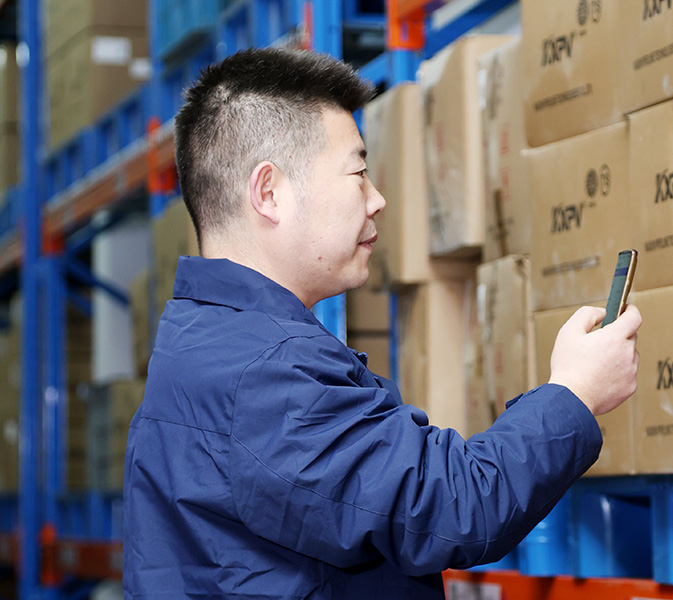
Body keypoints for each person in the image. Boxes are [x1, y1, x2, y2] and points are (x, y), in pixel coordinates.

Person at [123, 47, 641, 600]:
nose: (377, 200)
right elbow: (450, 507)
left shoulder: (201, 342)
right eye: (358, 172)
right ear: (269, 193)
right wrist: (575, 393)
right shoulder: (263, 375)